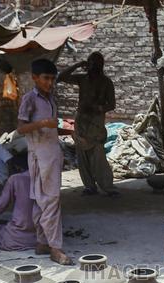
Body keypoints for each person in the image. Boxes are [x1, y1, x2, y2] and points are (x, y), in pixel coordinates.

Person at [17, 59, 71, 266]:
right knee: (52, 200)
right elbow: (21, 128)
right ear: (35, 78)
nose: (50, 83)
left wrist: (67, 128)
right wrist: (42, 123)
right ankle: (55, 248)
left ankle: (41, 242)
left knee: (40, 198)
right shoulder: (29, 99)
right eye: (46, 78)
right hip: (40, 154)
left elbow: (52, 127)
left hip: (51, 153)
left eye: (52, 79)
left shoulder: (50, 99)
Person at [58, 52, 119, 197]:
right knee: (82, 155)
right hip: (81, 122)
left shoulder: (106, 82)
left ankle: (108, 188)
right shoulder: (82, 79)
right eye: (91, 62)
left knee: (98, 157)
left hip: (95, 123)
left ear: (101, 65)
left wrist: (97, 108)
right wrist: (78, 65)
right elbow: (61, 77)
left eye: (96, 62)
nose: (93, 65)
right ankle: (90, 187)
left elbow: (111, 104)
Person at [0, 155, 39, 251]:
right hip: (41, 238)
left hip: (16, 238)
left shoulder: (15, 179)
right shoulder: (43, 179)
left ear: (17, 168)